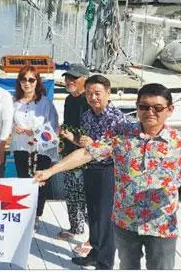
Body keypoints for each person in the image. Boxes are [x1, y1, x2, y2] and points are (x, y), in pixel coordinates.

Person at [35, 83, 181, 270]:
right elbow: (87, 153)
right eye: (144, 107)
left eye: (157, 108)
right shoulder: (121, 133)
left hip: (162, 224)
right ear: (137, 108)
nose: (150, 112)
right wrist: (50, 171)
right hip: (126, 222)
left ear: (170, 110)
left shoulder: (180, 142)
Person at [64, 75, 128, 269]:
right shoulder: (87, 115)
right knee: (92, 214)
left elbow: (112, 148)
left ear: (108, 93)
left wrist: (91, 144)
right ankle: (95, 251)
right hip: (90, 167)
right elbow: (86, 145)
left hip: (109, 170)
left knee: (105, 218)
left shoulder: (117, 118)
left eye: (97, 93)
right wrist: (73, 138)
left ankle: (105, 262)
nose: (93, 97)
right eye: (89, 93)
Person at [10, 65, 59, 228]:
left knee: (39, 182)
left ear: (37, 82)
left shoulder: (45, 103)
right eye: (23, 79)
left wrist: (35, 131)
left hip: (40, 149)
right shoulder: (14, 102)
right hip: (20, 147)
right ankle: (25, 212)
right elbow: (7, 121)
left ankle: (37, 214)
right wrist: (13, 128)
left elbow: (53, 126)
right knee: (23, 179)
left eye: (31, 79)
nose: (27, 83)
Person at [56, 64, 91, 253]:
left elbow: (92, 136)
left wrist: (74, 138)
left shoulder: (89, 101)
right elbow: (69, 124)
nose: (69, 81)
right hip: (69, 153)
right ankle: (75, 228)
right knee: (71, 193)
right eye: (68, 77)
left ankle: (94, 239)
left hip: (87, 157)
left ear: (85, 79)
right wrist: (63, 133)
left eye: (74, 78)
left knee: (88, 198)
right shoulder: (69, 99)